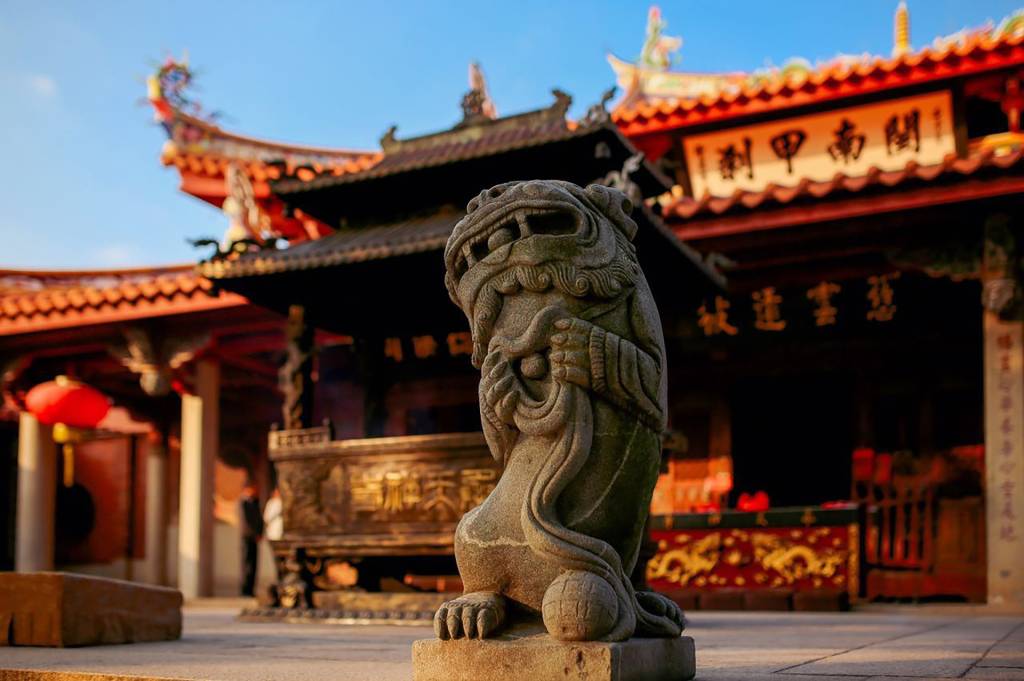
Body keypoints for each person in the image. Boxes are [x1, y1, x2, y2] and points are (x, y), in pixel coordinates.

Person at [239, 483, 263, 597]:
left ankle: (251, 588)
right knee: (246, 563)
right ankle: (245, 589)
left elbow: (259, 520)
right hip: (247, 537)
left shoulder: (255, 503)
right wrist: (254, 533)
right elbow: (247, 521)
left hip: (255, 537)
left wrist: (259, 533)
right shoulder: (243, 503)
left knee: (254, 564)